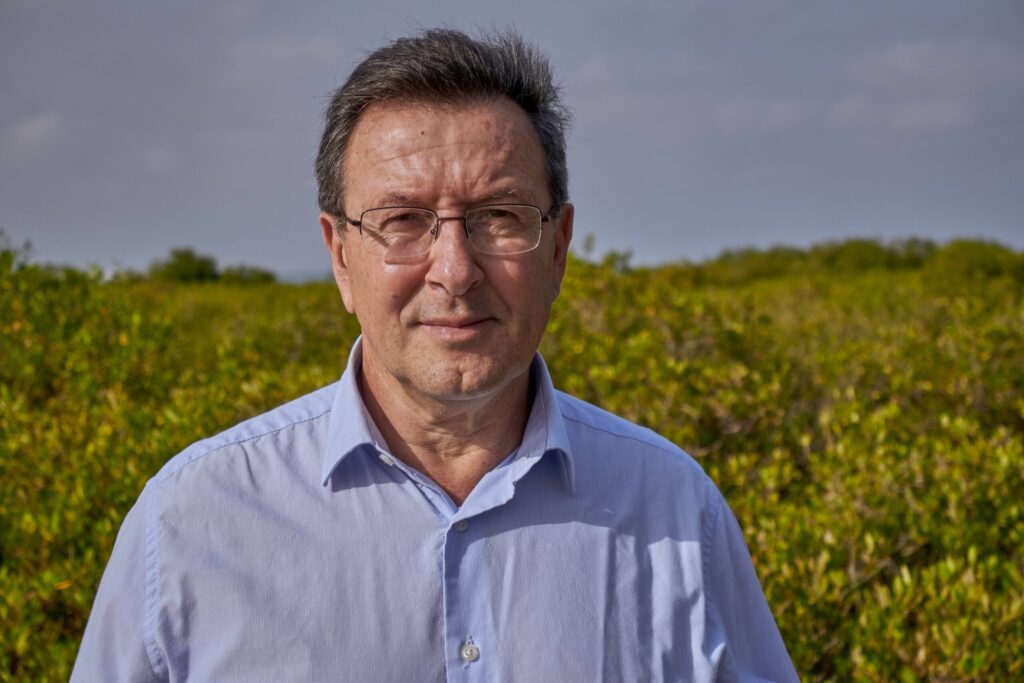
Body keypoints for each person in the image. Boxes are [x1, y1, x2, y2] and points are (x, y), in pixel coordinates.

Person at [72, 29, 798, 682]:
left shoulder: (676, 508)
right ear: (339, 255)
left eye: (499, 216)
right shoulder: (190, 523)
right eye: (403, 220)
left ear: (558, 248)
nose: (454, 270)